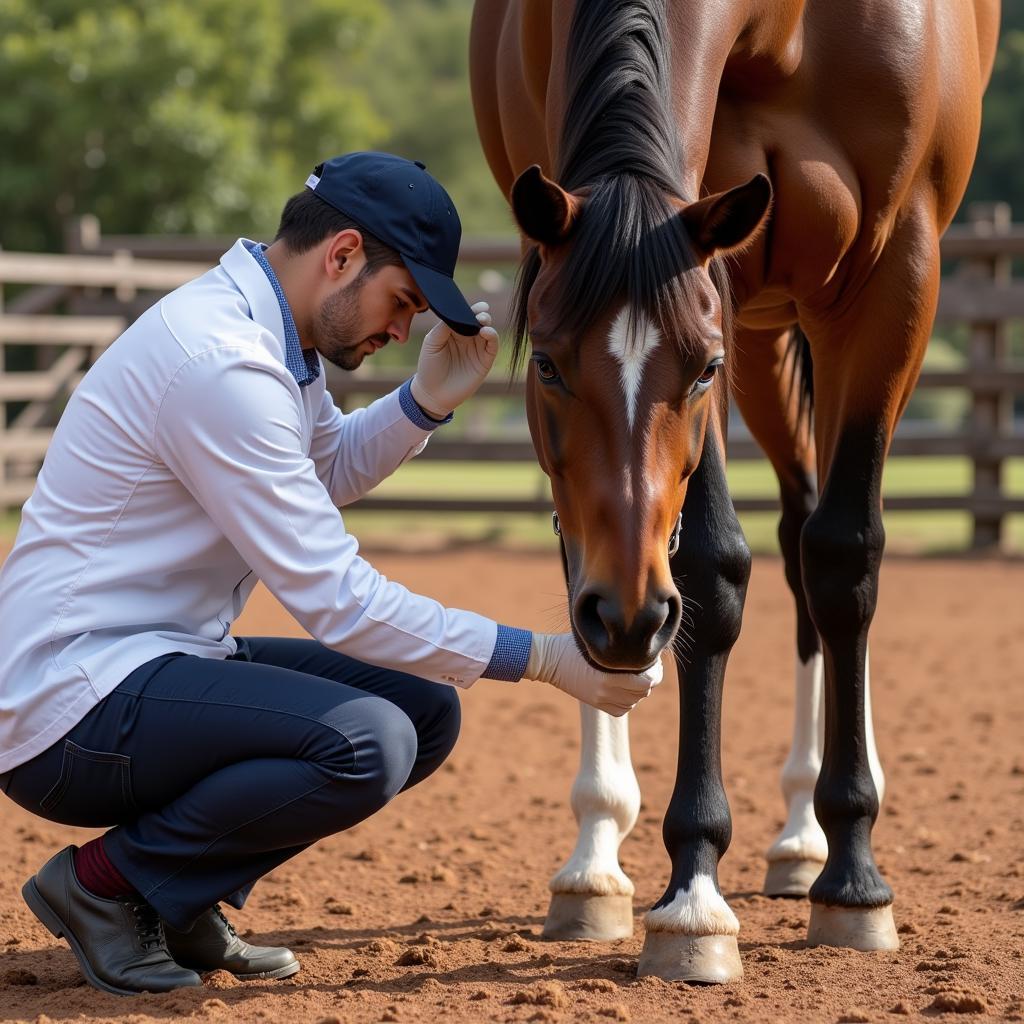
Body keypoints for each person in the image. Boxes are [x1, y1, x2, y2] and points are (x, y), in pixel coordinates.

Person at [0, 152, 662, 995]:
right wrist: (539, 656)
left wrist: (422, 405)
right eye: (403, 303)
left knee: (423, 710)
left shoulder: (275, 338)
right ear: (342, 255)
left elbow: (317, 470)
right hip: (70, 705)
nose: (400, 331)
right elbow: (337, 601)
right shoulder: (224, 364)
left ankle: (178, 894)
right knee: (365, 740)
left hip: (148, 660)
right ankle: (106, 885)